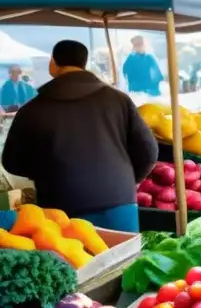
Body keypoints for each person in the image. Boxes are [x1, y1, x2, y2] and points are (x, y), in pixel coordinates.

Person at [2, 40, 158, 231]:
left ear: (53, 63)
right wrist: (125, 179)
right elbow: (148, 150)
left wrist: (47, 172)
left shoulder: (32, 109)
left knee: (70, 261)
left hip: (59, 207)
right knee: (123, 259)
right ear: (84, 63)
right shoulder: (118, 100)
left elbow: (12, 162)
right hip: (118, 203)